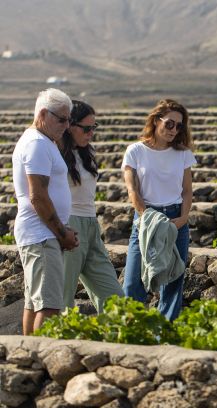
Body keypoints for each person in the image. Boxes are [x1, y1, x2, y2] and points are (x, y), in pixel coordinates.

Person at [12, 88, 79, 335]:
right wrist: (62, 233)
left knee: (35, 302)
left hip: (42, 233)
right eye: (61, 119)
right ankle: (43, 360)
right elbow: (38, 196)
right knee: (50, 306)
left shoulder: (43, 142)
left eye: (69, 119)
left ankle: (29, 357)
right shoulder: (36, 144)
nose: (66, 125)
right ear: (42, 114)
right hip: (41, 235)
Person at [121, 99, 196, 321]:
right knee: (133, 279)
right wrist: (147, 217)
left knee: (174, 278)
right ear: (156, 121)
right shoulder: (135, 151)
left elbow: (187, 191)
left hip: (176, 218)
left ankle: (165, 331)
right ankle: (131, 329)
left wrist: (183, 218)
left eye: (179, 126)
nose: (174, 130)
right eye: (170, 124)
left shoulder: (182, 154)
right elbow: (132, 189)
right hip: (146, 217)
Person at [60, 100, 124, 313]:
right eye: (86, 128)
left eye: (93, 128)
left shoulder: (89, 153)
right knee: (62, 296)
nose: (91, 133)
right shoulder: (56, 153)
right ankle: (55, 343)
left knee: (115, 298)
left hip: (90, 223)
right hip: (69, 223)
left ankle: (120, 340)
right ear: (70, 126)